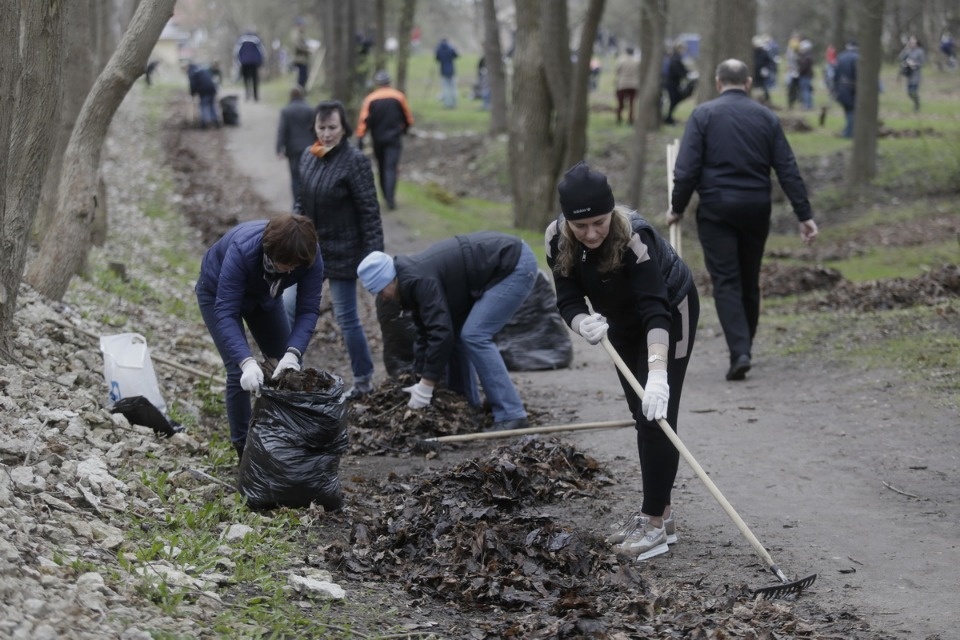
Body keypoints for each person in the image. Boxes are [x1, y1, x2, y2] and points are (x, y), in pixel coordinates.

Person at [545, 162, 698, 561]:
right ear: (567, 222)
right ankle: (661, 516)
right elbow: (567, 299)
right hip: (619, 322)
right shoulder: (556, 240)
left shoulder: (635, 237)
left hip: (670, 311)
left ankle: (653, 528)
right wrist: (582, 323)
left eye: (599, 222)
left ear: (610, 214)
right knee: (640, 412)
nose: (592, 234)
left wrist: (659, 373)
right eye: (582, 227)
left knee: (657, 414)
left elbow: (655, 309)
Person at [666, 59, 818, 381]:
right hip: (756, 208)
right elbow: (787, 168)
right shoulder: (766, 117)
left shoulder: (703, 115)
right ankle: (744, 344)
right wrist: (804, 215)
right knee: (750, 278)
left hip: (717, 210)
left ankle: (740, 351)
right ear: (747, 82)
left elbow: (687, 169)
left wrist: (677, 207)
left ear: (718, 82)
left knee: (726, 280)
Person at [357, 232, 537, 432]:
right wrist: (419, 375)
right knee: (458, 334)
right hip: (494, 269)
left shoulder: (418, 280)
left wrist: (426, 386)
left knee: (474, 335)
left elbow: (440, 333)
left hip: (513, 264)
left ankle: (512, 414)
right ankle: (466, 404)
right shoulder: (407, 280)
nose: (383, 298)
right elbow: (426, 332)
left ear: (389, 280)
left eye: (381, 291)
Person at [195, 214, 324, 460]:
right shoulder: (243, 250)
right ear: (269, 251)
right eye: (286, 265)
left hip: (266, 296)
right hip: (217, 295)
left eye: (295, 267)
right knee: (238, 372)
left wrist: (292, 353)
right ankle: (244, 450)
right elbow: (226, 310)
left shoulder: (309, 255)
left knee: (288, 371)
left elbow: (308, 309)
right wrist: (246, 361)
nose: (291, 270)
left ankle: (290, 442)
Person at [290, 100, 384, 400]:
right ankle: (290, 373)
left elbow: (370, 211)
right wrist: (294, 237)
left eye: (333, 127)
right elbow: (301, 202)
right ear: (314, 128)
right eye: (322, 127)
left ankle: (363, 378)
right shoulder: (309, 155)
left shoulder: (355, 161)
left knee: (347, 318)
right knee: (288, 307)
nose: (327, 133)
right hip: (310, 251)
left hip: (345, 251)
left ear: (344, 128)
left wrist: (374, 256)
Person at [355, 69, 415, 211]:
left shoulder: (370, 99)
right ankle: (390, 198)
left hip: (378, 139)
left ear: (377, 83)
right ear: (389, 82)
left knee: (381, 167)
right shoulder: (399, 97)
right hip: (394, 138)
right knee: (391, 167)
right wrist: (405, 129)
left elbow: (364, 121)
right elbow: (408, 117)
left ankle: (385, 196)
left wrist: (360, 138)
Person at [275, 86, 316, 206]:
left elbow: (282, 130)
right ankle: (308, 201)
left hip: (293, 150)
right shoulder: (310, 110)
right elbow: (315, 129)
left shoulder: (286, 111)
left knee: (295, 177)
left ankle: (297, 204)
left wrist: (279, 149)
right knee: (308, 175)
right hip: (309, 148)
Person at [663, 42, 693, 125]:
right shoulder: (675, 58)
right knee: (673, 100)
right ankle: (668, 118)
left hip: (674, 83)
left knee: (674, 100)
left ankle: (669, 117)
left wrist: (688, 72)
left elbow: (682, 68)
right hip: (671, 83)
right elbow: (678, 70)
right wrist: (686, 74)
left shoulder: (676, 58)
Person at [834, 41, 859, 138]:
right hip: (851, 88)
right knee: (851, 111)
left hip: (840, 87)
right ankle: (849, 132)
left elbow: (835, 75)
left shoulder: (840, 56)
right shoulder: (857, 57)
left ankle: (848, 130)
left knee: (847, 110)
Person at [234, 28, 266, 101]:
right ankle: (256, 96)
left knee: (246, 79)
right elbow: (262, 51)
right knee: (255, 79)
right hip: (254, 62)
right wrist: (261, 61)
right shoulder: (256, 39)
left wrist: (238, 61)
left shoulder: (241, 39)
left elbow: (236, 51)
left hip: (244, 62)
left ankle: (247, 95)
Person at [614, 46, 641, 125]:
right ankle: (630, 119)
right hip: (634, 84)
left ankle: (619, 118)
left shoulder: (621, 60)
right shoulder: (637, 61)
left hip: (622, 84)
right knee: (632, 104)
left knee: (620, 103)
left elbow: (617, 71)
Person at [186, 63, 218, 129]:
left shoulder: (192, 73)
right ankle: (215, 121)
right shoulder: (203, 70)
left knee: (204, 106)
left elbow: (193, 85)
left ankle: (204, 123)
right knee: (211, 105)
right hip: (212, 89)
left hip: (204, 91)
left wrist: (192, 94)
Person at [899, 36, 926, 112]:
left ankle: (917, 106)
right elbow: (900, 57)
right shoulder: (908, 51)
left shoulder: (920, 51)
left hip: (916, 74)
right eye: (910, 42)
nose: (912, 44)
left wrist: (914, 64)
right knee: (909, 93)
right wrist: (906, 48)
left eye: (913, 42)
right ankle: (916, 102)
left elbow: (922, 62)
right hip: (909, 74)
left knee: (914, 91)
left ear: (917, 43)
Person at [435, 37, 459, 108]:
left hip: (443, 70)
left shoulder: (439, 49)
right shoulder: (450, 48)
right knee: (453, 88)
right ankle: (454, 102)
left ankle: (447, 103)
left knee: (445, 88)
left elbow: (437, 58)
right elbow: (456, 55)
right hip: (451, 70)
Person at [292, 18, 311, 88]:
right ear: (299, 25)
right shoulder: (296, 34)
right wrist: (308, 50)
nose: (304, 27)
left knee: (304, 76)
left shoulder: (301, 34)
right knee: (302, 78)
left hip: (303, 59)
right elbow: (298, 46)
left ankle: (302, 92)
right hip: (300, 60)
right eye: (303, 25)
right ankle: (300, 93)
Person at [796, 40, 815, 110]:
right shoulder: (807, 56)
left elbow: (804, 66)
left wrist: (798, 71)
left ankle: (807, 105)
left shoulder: (806, 57)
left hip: (805, 75)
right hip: (807, 75)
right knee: (807, 90)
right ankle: (809, 104)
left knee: (805, 90)